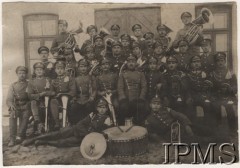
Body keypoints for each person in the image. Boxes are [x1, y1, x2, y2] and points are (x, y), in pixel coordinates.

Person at [22, 98, 113, 147]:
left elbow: (103, 134)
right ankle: (33, 139)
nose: (101, 110)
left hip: (84, 138)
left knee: (62, 143)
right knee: (57, 134)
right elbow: (80, 124)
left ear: (107, 108)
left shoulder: (107, 120)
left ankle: (43, 142)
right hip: (76, 130)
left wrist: (88, 135)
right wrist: (86, 133)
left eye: (104, 107)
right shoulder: (92, 114)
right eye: (100, 107)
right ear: (97, 108)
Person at [210, 52, 238, 135]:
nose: (220, 62)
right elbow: (211, 87)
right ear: (215, 62)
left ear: (225, 61)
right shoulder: (212, 73)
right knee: (215, 107)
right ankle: (217, 129)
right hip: (216, 96)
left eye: (222, 60)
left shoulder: (230, 72)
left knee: (230, 110)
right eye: (218, 61)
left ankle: (233, 130)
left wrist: (230, 89)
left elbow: (235, 86)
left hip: (228, 96)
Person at [118, 54, 147, 125]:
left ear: (136, 63)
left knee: (141, 108)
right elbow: (120, 87)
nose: (131, 64)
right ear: (127, 64)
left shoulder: (140, 74)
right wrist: (123, 98)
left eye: (133, 62)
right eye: (129, 62)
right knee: (123, 107)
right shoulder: (123, 74)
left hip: (137, 98)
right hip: (126, 98)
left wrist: (141, 97)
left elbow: (144, 86)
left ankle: (139, 128)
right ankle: (122, 127)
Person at [28, 62, 55, 135]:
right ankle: (38, 123)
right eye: (37, 70)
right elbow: (30, 95)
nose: (39, 71)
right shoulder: (32, 82)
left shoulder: (48, 80)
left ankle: (48, 127)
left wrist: (46, 93)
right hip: (37, 102)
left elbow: (53, 92)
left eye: (41, 69)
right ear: (34, 71)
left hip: (48, 101)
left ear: (44, 71)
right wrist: (40, 94)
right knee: (33, 102)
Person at [185, 56, 214, 123]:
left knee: (208, 105)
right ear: (191, 64)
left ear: (200, 63)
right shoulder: (188, 75)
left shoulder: (205, 73)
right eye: (194, 62)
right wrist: (189, 97)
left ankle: (207, 126)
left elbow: (209, 87)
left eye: (198, 62)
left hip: (203, 96)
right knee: (189, 106)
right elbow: (187, 88)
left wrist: (207, 97)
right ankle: (193, 126)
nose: (196, 64)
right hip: (192, 96)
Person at [6, 66, 30, 146]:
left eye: (23, 73)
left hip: (26, 106)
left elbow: (32, 96)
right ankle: (12, 138)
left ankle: (20, 136)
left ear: (26, 74)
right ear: (17, 74)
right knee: (12, 114)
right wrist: (11, 105)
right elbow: (9, 98)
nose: (22, 75)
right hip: (16, 106)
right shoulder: (13, 85)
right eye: (20, 73)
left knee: (26, 116)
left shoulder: (29, 84)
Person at [49, 61, 76, 130]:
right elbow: (51, 92)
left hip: (69, 99)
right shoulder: (53, 81)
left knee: (73, 106)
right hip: (58, 100)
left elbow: (73, 91)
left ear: (64, 69)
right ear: (55, 70)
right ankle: (57, 123)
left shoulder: (70, 79)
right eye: (58, 68)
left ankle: (70, 123)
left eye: (61, 68)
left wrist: (64, 94)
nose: (59, 70)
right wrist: (54, 94)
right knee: (53, 101)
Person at [69, 59, 96, 125]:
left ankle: (90, 124)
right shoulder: (75, 79)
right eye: (81, 67)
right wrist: (74, 98)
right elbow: (74, 90)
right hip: (79, 99)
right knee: (73, 107)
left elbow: (95, 89)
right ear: (78, 68)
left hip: (89, 98)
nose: (83, 68)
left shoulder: (92, 77)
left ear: (88, 67)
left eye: (85, 66)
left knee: (89, 106)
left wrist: (92, 97)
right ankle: (75, 125)